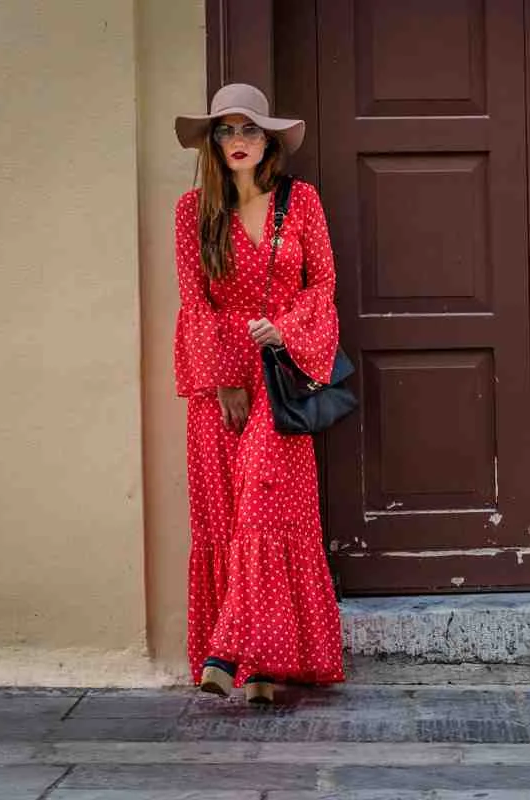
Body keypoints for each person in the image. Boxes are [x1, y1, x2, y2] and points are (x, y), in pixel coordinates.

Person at [172, 83, 344, 704]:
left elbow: (322, 285)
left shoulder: (301, 202)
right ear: (213, 143)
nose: (238, 140)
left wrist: (287, 330)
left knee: (265, 512)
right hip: (218, 381)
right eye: (226, 130)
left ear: (268, 141)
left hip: (281, 374)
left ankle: (230, 651)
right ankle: (262, 671)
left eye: (249, 129)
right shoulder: (192, 212)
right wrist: (222, 378)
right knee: (225, 515)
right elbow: (194, 301)